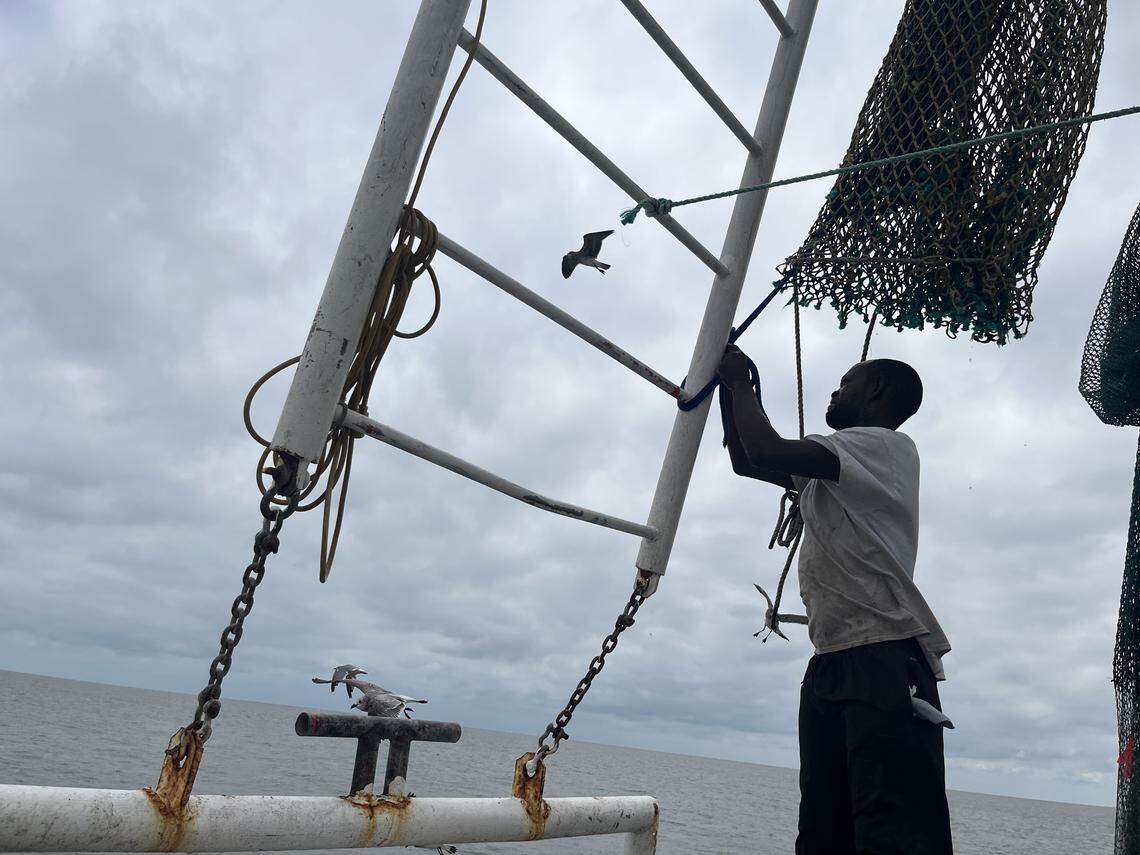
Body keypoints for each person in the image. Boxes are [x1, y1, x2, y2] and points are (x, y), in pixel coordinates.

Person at [717, 343, 953, 855]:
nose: (835, 390)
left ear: (877, 390)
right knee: (824, 826)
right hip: (832, 660)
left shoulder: (884, 446)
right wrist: (729, 391)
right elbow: (747, 460)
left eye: (846, 382)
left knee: (891, 831)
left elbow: (767, 451)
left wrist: (738, 382)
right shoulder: (840, 465)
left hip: (883, 658)